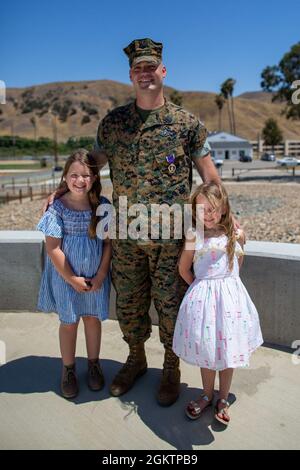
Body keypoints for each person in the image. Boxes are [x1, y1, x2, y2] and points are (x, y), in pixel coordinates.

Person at [90, 37, 223, 406]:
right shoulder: (114, 124)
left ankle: (170, 366)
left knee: (170, 306)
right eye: (138, 68)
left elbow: (211, 180)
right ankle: (135, 359)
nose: (145, 73)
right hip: (127, 237)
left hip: (172, 239)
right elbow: (90, 165)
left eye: (151, 67)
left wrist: (223, 223)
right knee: (130, 304)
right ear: (131, 76)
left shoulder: (185, 124)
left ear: (163, 71)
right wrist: (61, 190)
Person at [172, 182, 263, 425]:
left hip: (231, 303)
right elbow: (183, 268)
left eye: (212, 209)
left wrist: (227, 286)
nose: (208, 215)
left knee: (228, 352)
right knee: (207, 351)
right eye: (202, 210)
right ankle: (206, 393)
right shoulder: (194, 235)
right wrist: (199, 288)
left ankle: (222, 398)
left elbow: (237, 267)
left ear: (223, 209)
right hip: (203, 303)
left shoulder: (233, 235)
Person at [37, 149, 112, 399]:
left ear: (95, 178)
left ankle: (93, 364)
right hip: (65, 277)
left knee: (92, 319)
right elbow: (53, 248)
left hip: (95, 277)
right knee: (68, 323)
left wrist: (101, 274)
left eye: (86, 176)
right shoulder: (57, 208)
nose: (80, 181)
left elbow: (108, 243)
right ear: (65, 177)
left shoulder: (102, 206)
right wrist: (71, 278)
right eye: (74, 175)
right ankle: (68, 369)